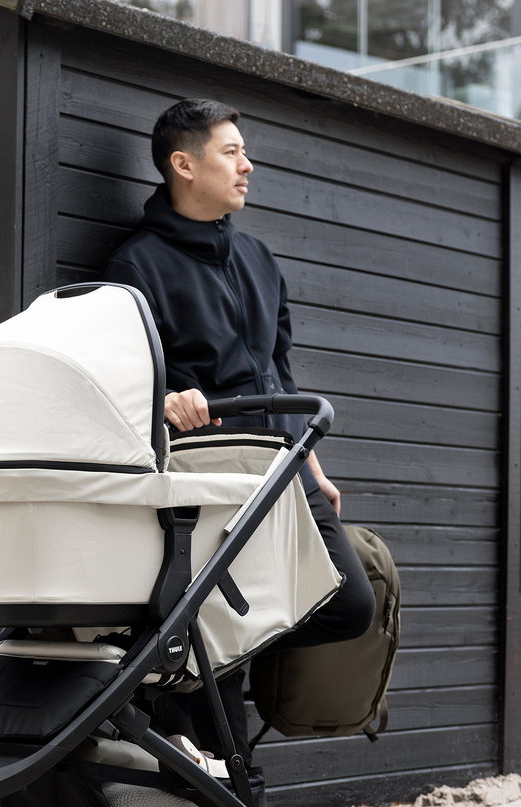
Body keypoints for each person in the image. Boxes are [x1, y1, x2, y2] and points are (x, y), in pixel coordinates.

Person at [101, 99, 375, 761]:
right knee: (214, 624)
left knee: (348, 603)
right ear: (182, 164)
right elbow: (119, 381)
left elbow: (278, 365)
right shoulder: (134, 268)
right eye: (231, 152)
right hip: (209, 474)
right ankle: (225, 797)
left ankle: (170, 685)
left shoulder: (257, 257)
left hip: (283, 463)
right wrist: (165, 398)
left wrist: (313, 467)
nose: (246, 166)